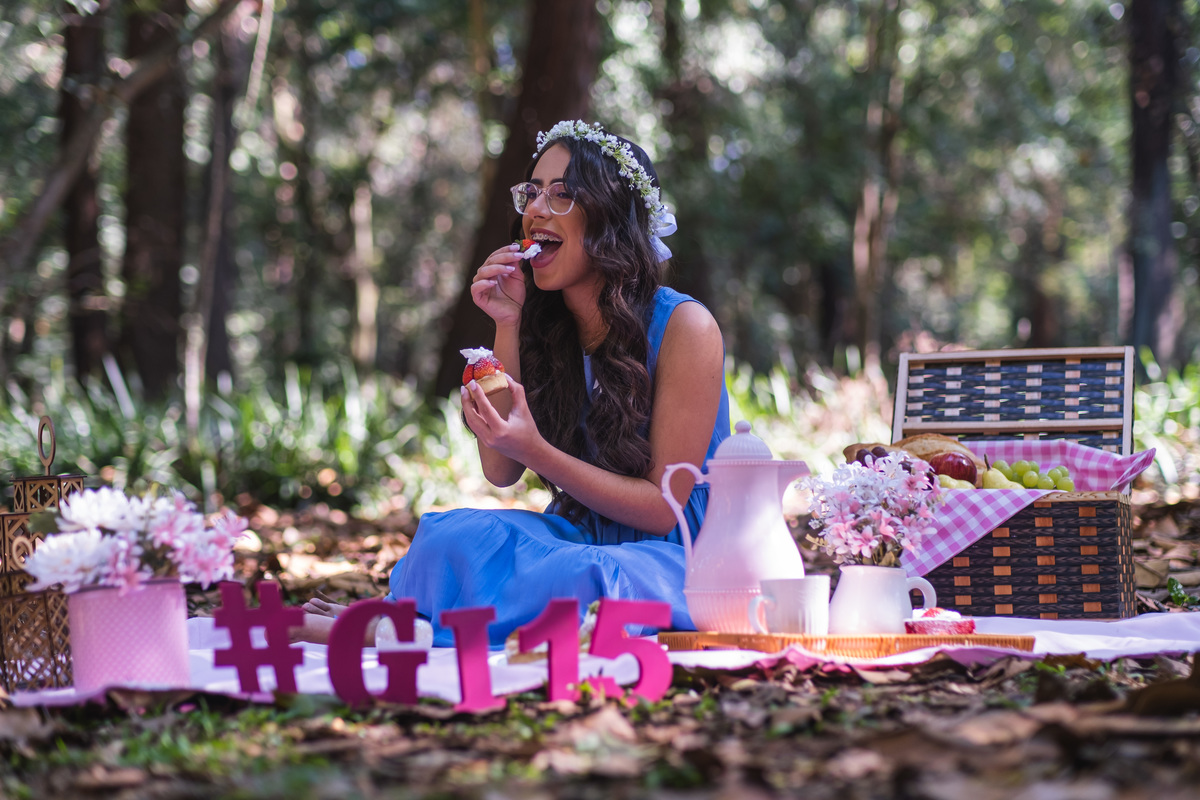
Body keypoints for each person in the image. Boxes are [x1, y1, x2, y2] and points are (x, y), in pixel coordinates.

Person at [302, 120, 729, 647]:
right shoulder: (543, 325)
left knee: (583, 578)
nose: (536, 209)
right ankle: (410, 624)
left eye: (563, 194)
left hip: (683, 555)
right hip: (582, 536)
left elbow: (664, 511)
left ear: (613, 216)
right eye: (533, 191)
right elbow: (501, 470)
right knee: (452, 536)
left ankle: (403, 630)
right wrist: (506, 323)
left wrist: (538, 451)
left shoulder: (686, 327)